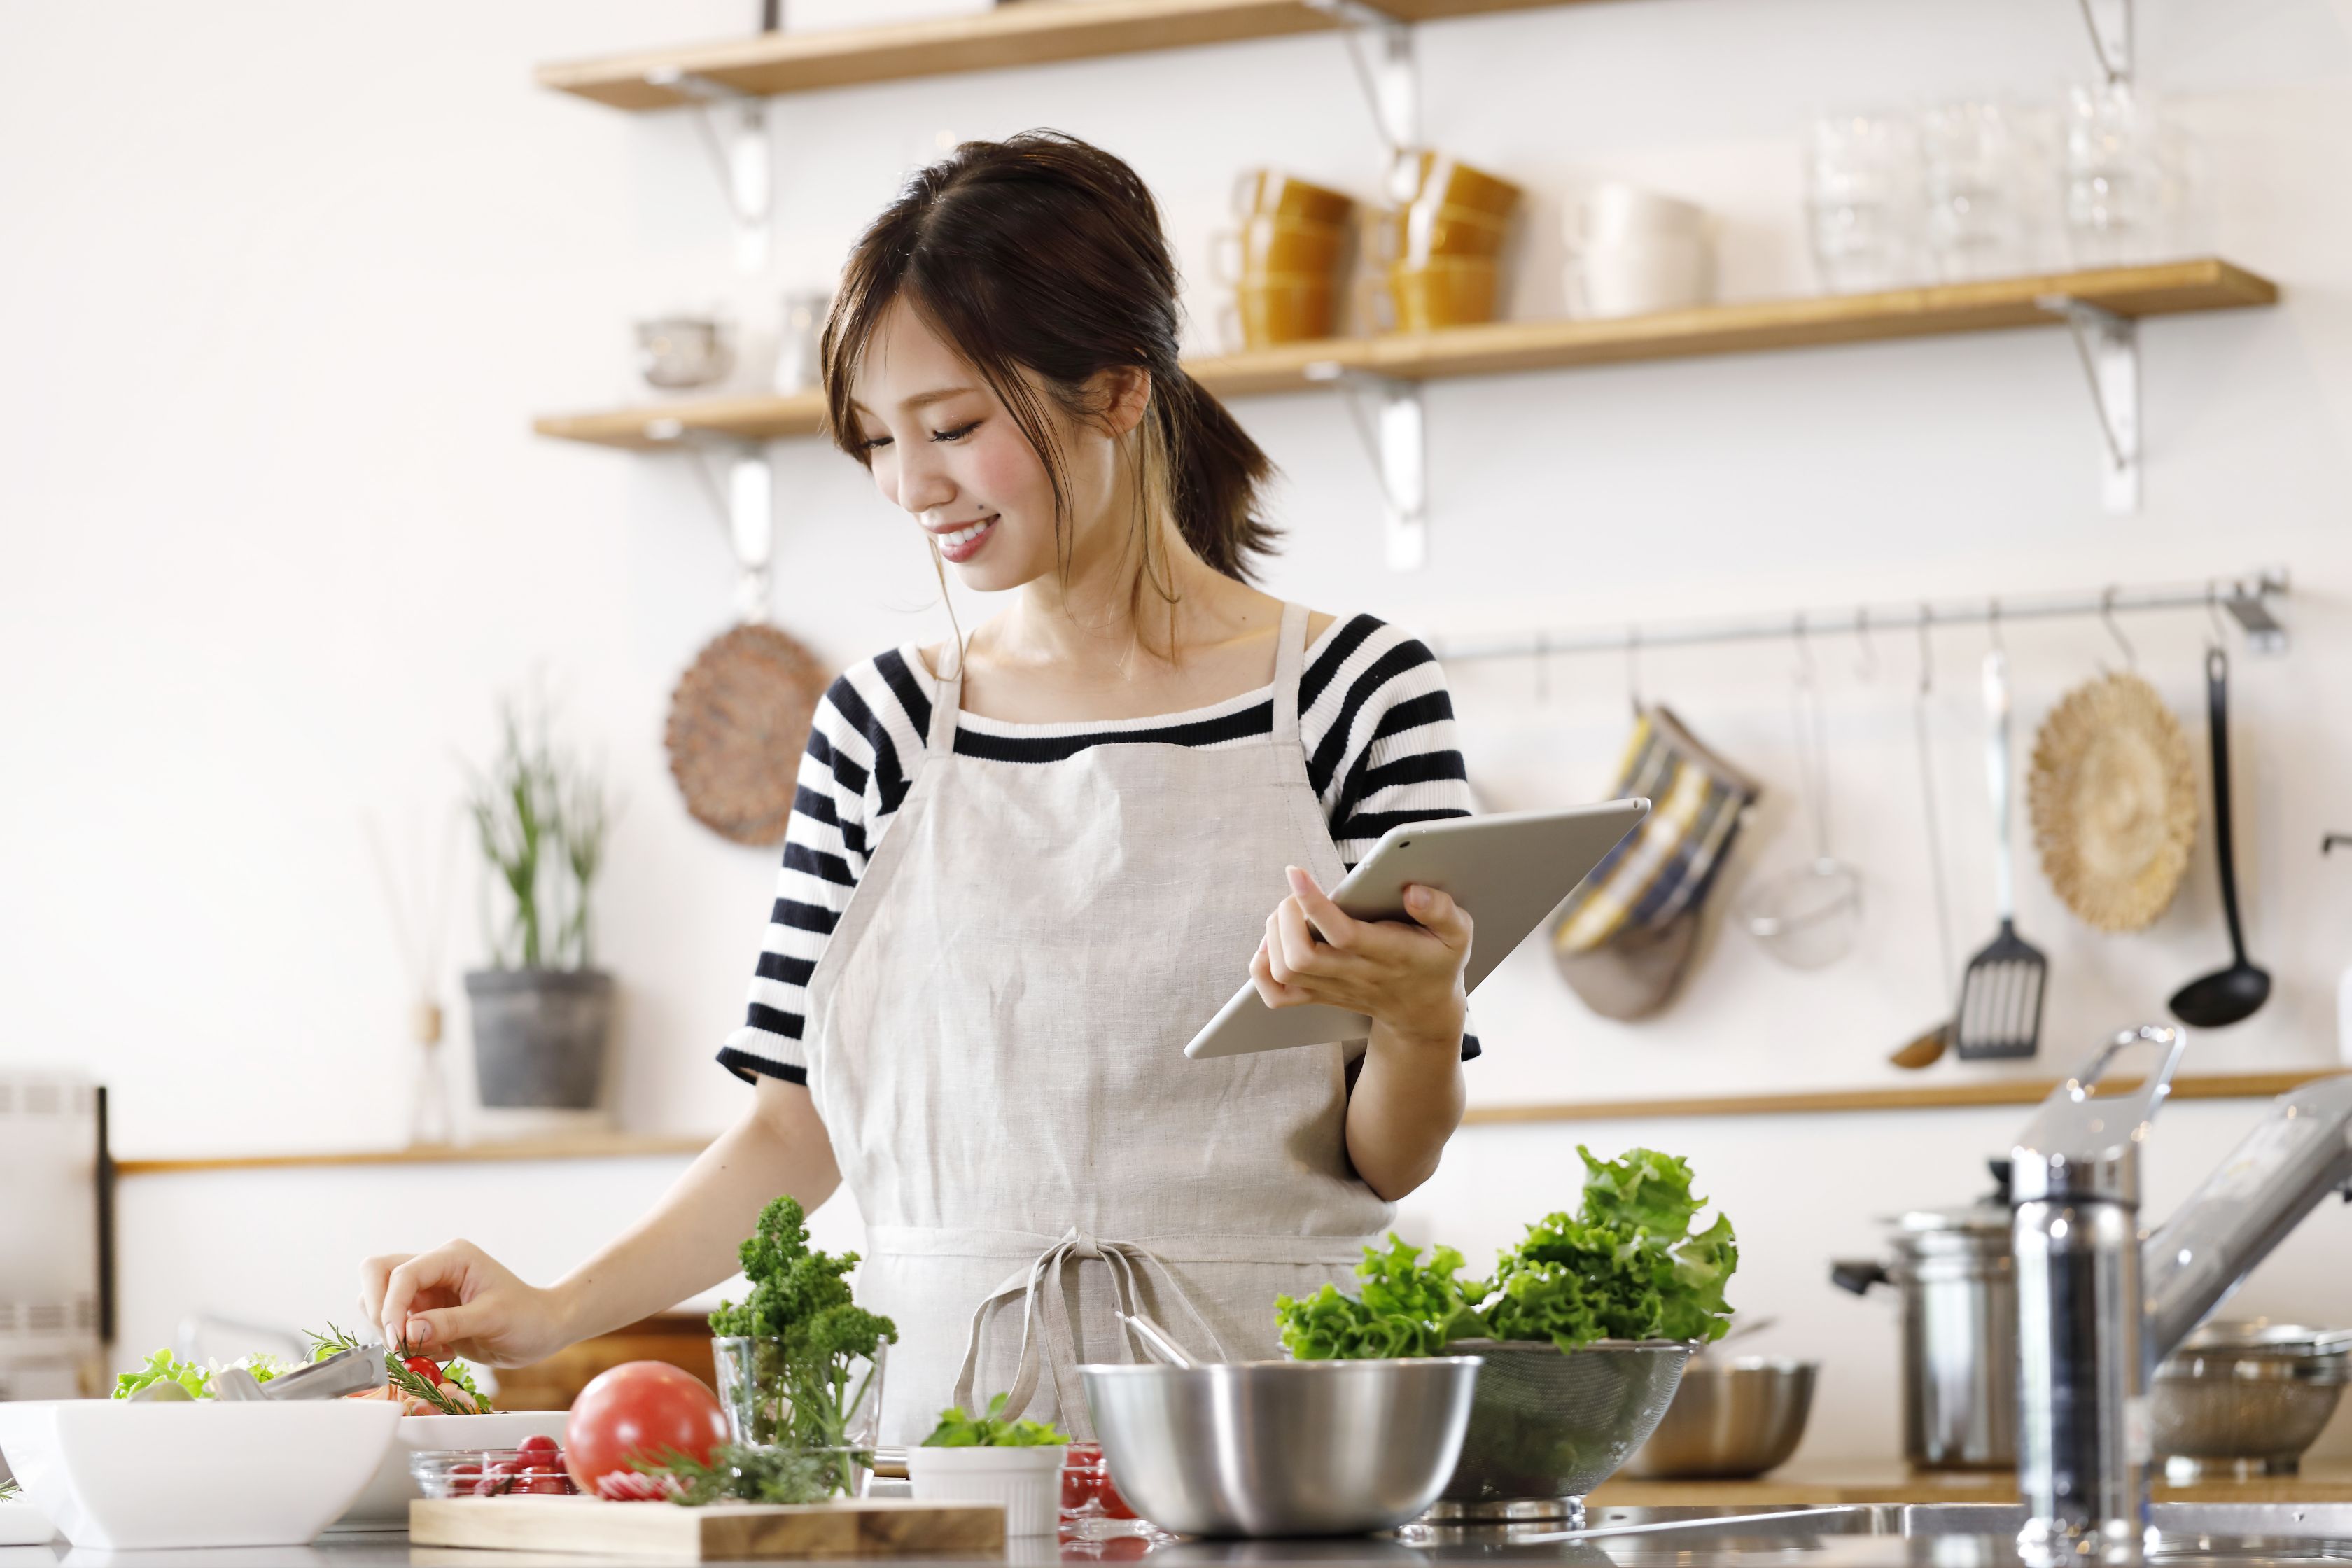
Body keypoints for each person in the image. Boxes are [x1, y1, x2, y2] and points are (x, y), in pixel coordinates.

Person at [363, 132, 1479, 1443]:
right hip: (950, 1443)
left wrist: (1423, 1016)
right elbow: (795, 1132)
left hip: (1265, 1436)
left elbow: (1390, 1156)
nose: (911, 486)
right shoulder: (881, 727)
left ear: (1119, 389)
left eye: (952, 428)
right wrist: (554, 1308)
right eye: (878, 442)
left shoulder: (1355, 693)